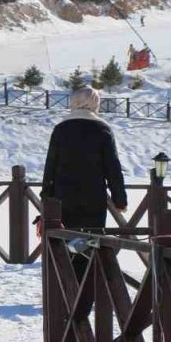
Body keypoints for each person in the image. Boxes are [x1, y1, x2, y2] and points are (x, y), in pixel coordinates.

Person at [40, 87, 127, 234]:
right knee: (91, 240)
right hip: (93, 196)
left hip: (63, 196)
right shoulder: (102, 129)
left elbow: (51, 165)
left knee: (65, 239)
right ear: (95, 103)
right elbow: (112, 168)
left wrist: (46, 196)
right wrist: (119, 199)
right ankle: (88, 256)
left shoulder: (61, 129)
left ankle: (67, 256)